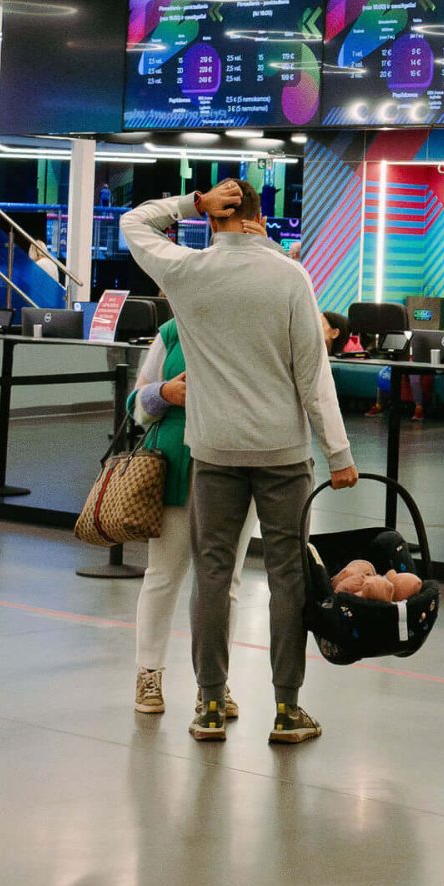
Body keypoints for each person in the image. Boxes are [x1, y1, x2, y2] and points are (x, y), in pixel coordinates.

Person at [121, 177, 358, 748]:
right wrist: (338, 453)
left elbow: (133, 223)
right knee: (287, 578)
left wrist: (190, 203)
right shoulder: (289, 275)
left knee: (211, 574)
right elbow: (313, 374)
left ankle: (208, 705)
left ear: (213, 216)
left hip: (214, 451)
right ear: (259, 219)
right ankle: (286, 710)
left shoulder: (188, 271)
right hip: (282, 455)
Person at [130, 312, 252, 720]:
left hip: (239, 467)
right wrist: (163, 393)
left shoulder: (253, 326)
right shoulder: (172, 332)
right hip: (176, 467)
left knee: (225, 583)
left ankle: (213, 683)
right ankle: (148, 673)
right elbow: (136, 404)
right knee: (163, 575)